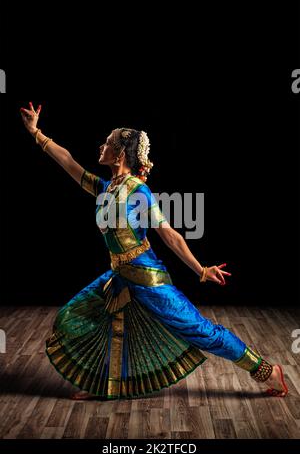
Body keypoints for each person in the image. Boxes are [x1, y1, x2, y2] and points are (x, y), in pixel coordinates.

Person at [20, 102, 288, 400]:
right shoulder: (107, 187)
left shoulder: (138, 191)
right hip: (120, 275)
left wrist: (200, 270)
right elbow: (70, 163)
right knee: (82, 316)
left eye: (107, 143)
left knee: (200, 330)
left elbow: (169, 235)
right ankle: (107, 385)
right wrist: (36, 133)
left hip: (148, 278)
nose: (101, 145)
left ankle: (265, 370)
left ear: (120, 153)